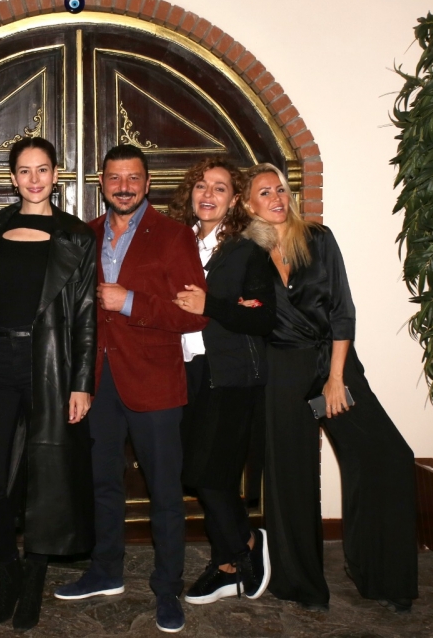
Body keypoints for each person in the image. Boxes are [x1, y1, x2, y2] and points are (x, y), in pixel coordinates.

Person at [239, 163, 418, 613]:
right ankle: (300, 584)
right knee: (291, 476)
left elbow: (342, 309)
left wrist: (336, 378)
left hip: (331, 363)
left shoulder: (318, 239)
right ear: (248, 205)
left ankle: (382, 576)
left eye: (281, 189)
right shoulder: (247, 254)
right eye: (265, 193)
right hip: (282, 369)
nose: (277, 198)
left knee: (387, 457)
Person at [53, 144, 207, 634]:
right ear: (102, 183)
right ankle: (106, 572)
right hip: (99, 383)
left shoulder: (175, 236)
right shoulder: (86, 234)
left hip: (155, 383)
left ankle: (168, 588)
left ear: (147, 184)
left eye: (133, 178)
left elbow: (194, 314)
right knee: (102, 485)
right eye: (115, 178)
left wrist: (129, 301)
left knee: (164, 492)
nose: (124, 187)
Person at [0, 137, 97, 630]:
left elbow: (86, 315)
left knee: (46, 481)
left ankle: (34, 579)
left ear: (55, 175)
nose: (34, 179)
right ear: (13, 178)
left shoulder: (76, 236)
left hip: (51, 367)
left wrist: (82, 383)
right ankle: (9, 573)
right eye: (24, 170)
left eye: (42, 170)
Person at [170, 157, 276, 603]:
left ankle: (242, 549)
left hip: (231, 376)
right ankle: (232, 558)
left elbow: (264, 318)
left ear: (234, 200)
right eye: (201, 186)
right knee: (201, 474)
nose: (208, 194)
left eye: (219, 187)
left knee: (211, 475)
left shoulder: (246, 251)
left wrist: (211, 305)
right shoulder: (178, 244)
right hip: (185, 372)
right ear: (190, 194)